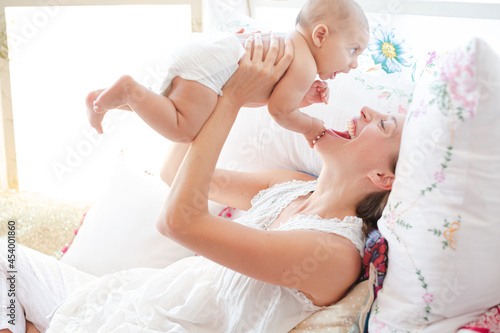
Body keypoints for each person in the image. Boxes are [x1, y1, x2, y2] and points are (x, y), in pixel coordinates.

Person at [0, 33, 404, 333]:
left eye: (383, 123)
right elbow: (177, 175)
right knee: (5, 254)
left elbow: (178, 221)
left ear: (383, 178)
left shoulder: (334, 253)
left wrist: (229, 100)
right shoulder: (294, 186)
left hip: (145, 325)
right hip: (120, 300)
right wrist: (236, 94)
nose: (367, 111)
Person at [86, 0, 369, 147]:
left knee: (170, 111)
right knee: (185, 130)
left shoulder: (290, 45)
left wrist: (303, 98)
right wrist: (311, 127)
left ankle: (107, 99)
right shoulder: (305, 64)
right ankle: (127, 89)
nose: (354, 63)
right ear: (320, 34)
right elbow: (280, 111)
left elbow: (271, 94)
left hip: (210, 51)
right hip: (214, 64)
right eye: (353, 50)